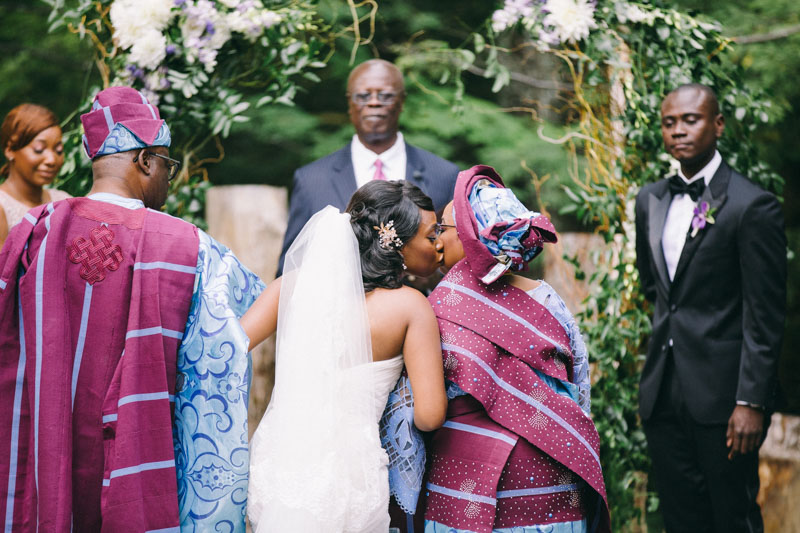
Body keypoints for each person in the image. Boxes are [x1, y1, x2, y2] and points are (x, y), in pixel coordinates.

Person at [0, 87, 263, 532]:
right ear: (144, 160)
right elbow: (234, 335)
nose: (168, 177)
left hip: (48, 457)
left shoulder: (33, 234)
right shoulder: (187, 246)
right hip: (141, 460)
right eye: (167, 164)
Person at [243, 180, 448, 532]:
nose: (439, 244)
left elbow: (223, 351)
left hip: (281, 462)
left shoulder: (288, 288)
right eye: (431, 236)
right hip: (352, 475)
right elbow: (430, 416)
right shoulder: (411, 307)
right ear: (394, 242)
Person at [420, 165, 610, 533]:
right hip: (555, 466)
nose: (438, 242)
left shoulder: (439, 306)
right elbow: (579, 386)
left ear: (471, 232)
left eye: (443, 228)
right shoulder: (548, 299)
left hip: (466, 482)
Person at [634, 83, 786, 532]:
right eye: (669, 122)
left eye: (690, 119)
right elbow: (656, 288)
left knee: (732, 517)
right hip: (663, 393)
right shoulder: (650, 200)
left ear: (717, 124)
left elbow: (765, 315)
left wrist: (750, 401)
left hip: (725, 401)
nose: (678, 130)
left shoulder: (751, 205)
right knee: (680, 519)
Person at [277, 58, 459, 275]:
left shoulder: (445, 175)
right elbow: (289, 270)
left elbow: (458, 261)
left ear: (401, 102)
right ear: (349, 103)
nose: (374, 102)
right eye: (363, 96)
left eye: (386, 95)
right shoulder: (311, 179)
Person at [0, 103, 71, 247]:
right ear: (10, 150)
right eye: (39, 150)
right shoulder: (3, 208)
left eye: (58, 150)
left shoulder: (64, 201)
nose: (51, 160)